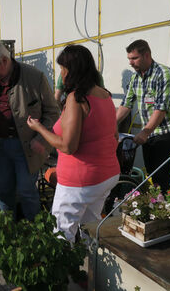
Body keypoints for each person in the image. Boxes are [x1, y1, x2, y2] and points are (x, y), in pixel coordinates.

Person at [27, 45, 120, 243]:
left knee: (62, 232)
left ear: (72, 69)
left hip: (80, 180)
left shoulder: (77, 98)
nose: (61, 74)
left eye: (63, 69)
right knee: (90, 226)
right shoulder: (105, 95)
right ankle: (94, 267)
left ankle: (64, 272)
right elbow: (115, 136)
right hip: (106, 174)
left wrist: (39, 129)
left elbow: (68, 146)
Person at [0, 40, 60, 221]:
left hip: (26, 146)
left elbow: (53, 113)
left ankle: (33, 234)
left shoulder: (34, 77)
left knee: (27, 191)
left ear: (5, 61)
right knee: (4, 191)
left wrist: (41, 138)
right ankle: (9, 232)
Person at [116, 39, 170, 193]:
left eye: (134, 58)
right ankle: (156, 206)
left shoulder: (163, 74)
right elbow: (126, 104)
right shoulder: (135, 78)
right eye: (129, 59)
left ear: (146, 55)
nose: (131, 63)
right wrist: (110, 124)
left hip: (167, 133)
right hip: (149, 133)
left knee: (161, 176)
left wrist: (145, 132)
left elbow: (161, 108)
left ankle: (165, 211)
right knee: (152, 173)